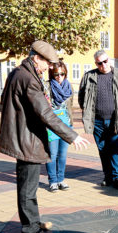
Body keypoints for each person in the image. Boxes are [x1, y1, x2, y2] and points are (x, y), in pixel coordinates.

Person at [0, 40, 90, 233]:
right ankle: (31, 230)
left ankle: (32, 221)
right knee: (28, 187)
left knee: (28, 185)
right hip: (27, 139)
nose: (49, 67)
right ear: (36, 57)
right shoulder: (28, 78)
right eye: (47, 62)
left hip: (23, 135)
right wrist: (72, 135)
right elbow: (45, 113)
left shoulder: (19, 73)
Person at [78, 50, 118, 191]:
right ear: (96, 63)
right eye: (99, 63)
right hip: (97, 121)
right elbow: (81, 97)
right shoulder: (89, 76)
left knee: (116, 148)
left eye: (105, 61)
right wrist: (87, 112)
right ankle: (108, 176)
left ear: (108, 60)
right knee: (103, 149)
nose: (103, 65)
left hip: (116, 120)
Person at [45, 61, 73, 192]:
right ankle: (53, 181)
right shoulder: (47, 86)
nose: (59, 77)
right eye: (56, 74)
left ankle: (61, 179)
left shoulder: (69, 87)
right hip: (51, 125)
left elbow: (70, 108)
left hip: (66, 124)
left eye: (62, 74)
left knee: (62, 154)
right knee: (52, 154)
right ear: (52, 74)